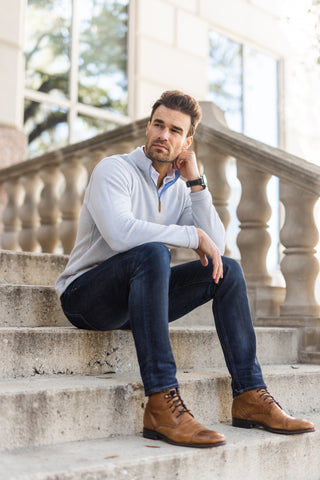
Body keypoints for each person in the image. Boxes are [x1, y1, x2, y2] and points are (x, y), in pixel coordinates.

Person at [56, 90, 315, 448]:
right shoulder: (114, 169)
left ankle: (250, 395)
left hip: (135, 301)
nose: (164, 135)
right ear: (148, 128)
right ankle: (162, 402)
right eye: (158, 125)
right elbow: (120, 234)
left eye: (175, 130)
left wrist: (196, 183)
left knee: (230, 272)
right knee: (152, 254)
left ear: (186, 141)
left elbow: (216, 245)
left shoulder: (180, 188)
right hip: (85, 297)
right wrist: (189, 235)